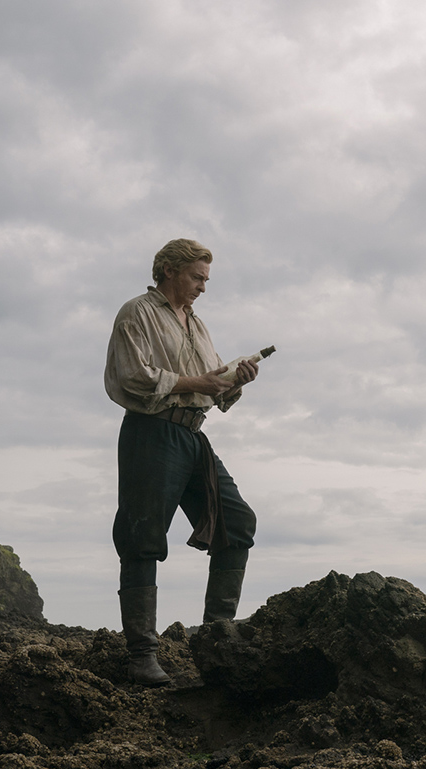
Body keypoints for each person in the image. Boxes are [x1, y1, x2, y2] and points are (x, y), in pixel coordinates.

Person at [104, 238, 259, 685]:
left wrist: (235, 380)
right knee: (141, 535)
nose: (203, 287)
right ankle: (142, 657)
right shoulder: (138, 312)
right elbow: (131, 377)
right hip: (151, 431)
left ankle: (217, 640)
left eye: (206, 279)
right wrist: (199, 381)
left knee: (237, 523)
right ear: (169, 270)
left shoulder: (198, 324)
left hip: (193, 434)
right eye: (197, 277)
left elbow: (210, 386)